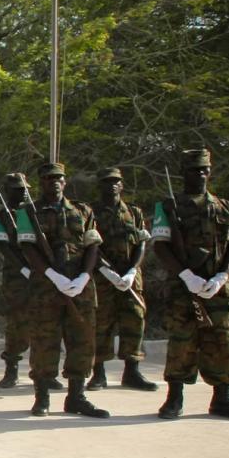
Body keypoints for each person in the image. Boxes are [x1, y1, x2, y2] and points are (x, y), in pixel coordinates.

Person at [15, 162, 108, 418]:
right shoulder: (28, 212)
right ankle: (42, 396)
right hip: (46, 288)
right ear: (41, 182)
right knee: (45, 342)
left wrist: (84, 277)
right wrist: (52, 275)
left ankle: (76, 397)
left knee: (82, 341)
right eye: (47, 178)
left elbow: (93, 246)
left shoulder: (83, 210)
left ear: (65, 182)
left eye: (58, 178)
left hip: (80, 288)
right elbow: (29, 249)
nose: (53, 182)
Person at [149, 148, 229, 419]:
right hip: (183, 287)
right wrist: (186, 275)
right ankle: (174, 398)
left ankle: (222, 397)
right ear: (183, 172)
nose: (201, 174)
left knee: (222, 340)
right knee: (182, 340)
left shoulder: (225, 207)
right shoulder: (169, 206)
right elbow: (160, 246)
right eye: (195, 169)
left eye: (204, 169)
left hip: (217, 287)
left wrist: (222, 276)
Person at [89, 167, 157, 392]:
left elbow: (141, 243)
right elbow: (90, 246)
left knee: (134, 320)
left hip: (130, 277)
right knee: (101, 323)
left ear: (122, 185)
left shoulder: (134, 212)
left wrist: (131, 271)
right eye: (107, 182)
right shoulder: (91, 212)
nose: (112, 185)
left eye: (116, 181)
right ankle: (98, 373)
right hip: (103, 278)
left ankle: (132, 371)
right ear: (100, 185)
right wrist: (106, 271)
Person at [0, 173, 46, 389]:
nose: (22, 193)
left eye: (24, 189)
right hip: (16, 277)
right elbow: (2, 246)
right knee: (17, 324)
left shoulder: (36, 212)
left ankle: (43, 372)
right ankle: (11, 369)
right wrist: (23, 267)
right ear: (7, 191)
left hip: (42, 274)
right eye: (16, 189)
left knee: (44, 324)